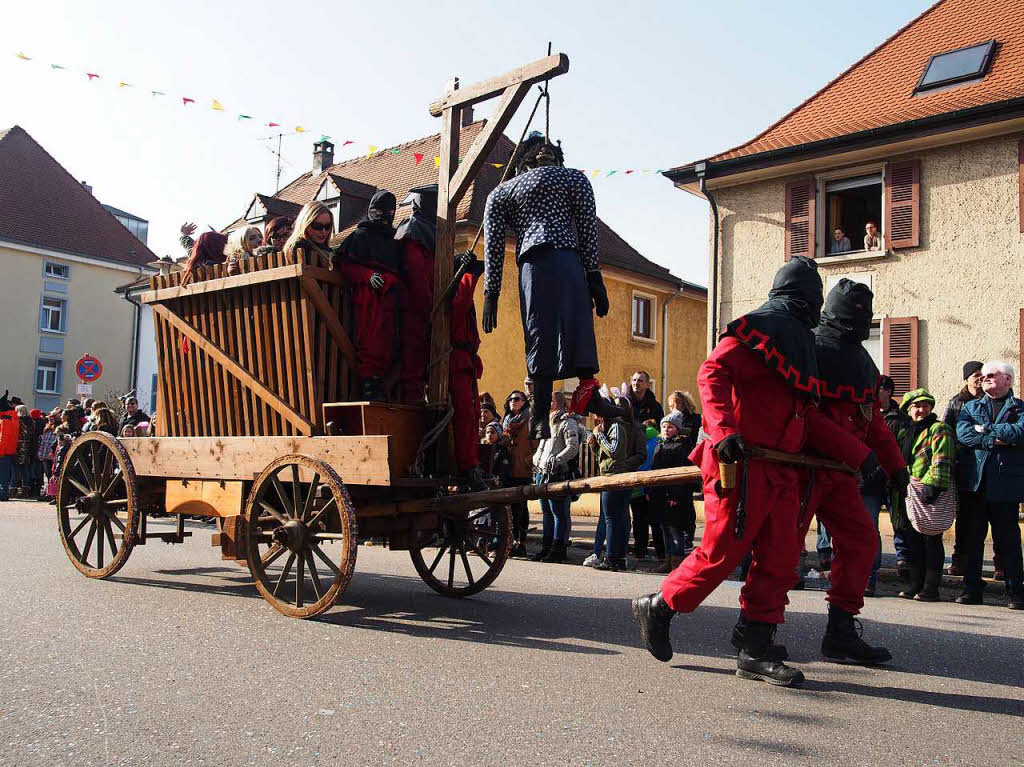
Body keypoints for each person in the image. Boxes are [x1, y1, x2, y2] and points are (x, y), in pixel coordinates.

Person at [631, 256, 875, 687]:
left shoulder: (802, 341)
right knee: (723, 549)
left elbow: (807, 415)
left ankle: (754, 647)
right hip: (738, 461)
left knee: (781, 556)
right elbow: (712, 373)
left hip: (781, 466)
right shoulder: (760, 327)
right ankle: (660, 604)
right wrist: (724, 430)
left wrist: (858, 455)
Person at [788, 279, 903, 662]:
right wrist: (861, 455)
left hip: (838, 474)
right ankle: (756, 632)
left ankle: (840, 632)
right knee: (782, 552)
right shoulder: (812, 349)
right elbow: (809, 420)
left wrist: (895, 465)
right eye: (857, 312)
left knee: (861, 541)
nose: (862, 319)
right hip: (802, 469)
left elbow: (872, 422)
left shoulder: (861, 361)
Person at [482, 131, 623, 440]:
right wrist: (594, 276)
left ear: (521, 163)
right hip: (569, 259)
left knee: (539, 331)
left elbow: (492, 244)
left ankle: (540, 414)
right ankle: (588, 389)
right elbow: (587, 230)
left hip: (535, 263)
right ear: (556, 159)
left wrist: (491, 291)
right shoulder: (575, 179)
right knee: (579, 324)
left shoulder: (503, 191)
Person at [955, 361, 1024, 609]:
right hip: (975, 484)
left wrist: (986, 430)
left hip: (1005, 486)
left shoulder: (1019, 409)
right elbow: (963, 434)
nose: (985, 378)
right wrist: (996, 439)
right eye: (983, 376)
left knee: (1008, 541)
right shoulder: (971, 407)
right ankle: (972, 588)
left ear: (1008, 380)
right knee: (973, 540)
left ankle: (1016, 590)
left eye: (992, 375)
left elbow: (1020, 433)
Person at [334, 191, 403, 401]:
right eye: (382, 210)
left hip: (389, 299)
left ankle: (382, 385)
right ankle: (369, 385)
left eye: (391, 211)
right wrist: (367, 275)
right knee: (370, 342)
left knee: (389, 342)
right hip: (367, 299)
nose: (386, 215)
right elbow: (344, 264)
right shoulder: (359, 236)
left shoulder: (393, 240)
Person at [891, 389, 954, 601]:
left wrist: (933, 486)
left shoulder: (939, 429)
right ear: (909, 410)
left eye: (926, 405)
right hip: (908, 492)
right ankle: (915, 583)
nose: (922, 409)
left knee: (931, 540)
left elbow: (942, 458)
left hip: (927, 491)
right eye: (917, 406)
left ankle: (931, 587)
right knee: (912, 540)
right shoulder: (904, 431)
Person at [589, 396, 646, 571]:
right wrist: (594, 444)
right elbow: (604, 456)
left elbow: (614, 452)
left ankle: (613, 557)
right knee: (619, 518)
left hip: (614, 477)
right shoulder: (626, 425)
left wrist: (599, 436)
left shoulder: (617, 425)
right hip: (617, 475)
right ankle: (619, 558)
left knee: (612, 519)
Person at [447, 253, 488, 492]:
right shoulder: (453, 295)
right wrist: (468, 274)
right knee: (464, 414)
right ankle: (468, 465)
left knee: (472, 415)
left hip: (466, 361)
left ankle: (472, 463)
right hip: (458, 362)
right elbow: (459, 303)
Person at [395, 184, 438, 404]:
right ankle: (412, 404)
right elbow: (416, 274)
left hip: (427, 307)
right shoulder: (412, 229)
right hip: (413, 308)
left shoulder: (433, 229)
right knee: (412, 359)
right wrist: (427, 306)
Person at [943, 361, 986, 576]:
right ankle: (959, 559)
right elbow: (946, 432)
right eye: (976, 374)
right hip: (963, 466)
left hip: (987, 466)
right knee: (964, 517)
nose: (980, 378)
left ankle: (1000, 563)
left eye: (983, 374)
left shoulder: (992, 400)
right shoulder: (956, 403)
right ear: (967, 378)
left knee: (992, 517)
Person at [531, 391, 580, 563]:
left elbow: (573, 447)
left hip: (557, 473)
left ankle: (558, 549)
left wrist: (558, 460)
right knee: (546, 512)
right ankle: (546, 547)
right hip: (542, 472)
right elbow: (542, 445)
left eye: (550, 400)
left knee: (559, 513)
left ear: (557, 402)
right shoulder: (548, 421)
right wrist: (536, 459)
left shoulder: (568, 422)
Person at [647, 411, 697, 574]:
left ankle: (677, 562)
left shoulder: (682, 446)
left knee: (676, 531)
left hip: (674, 495)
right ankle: (668, 560)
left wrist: (675, 495)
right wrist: (649, 489)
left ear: (677, 429)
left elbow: (682, 473)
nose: (666, 429)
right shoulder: (661, 444)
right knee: (665, 529)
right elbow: (654, 469)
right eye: (664, 427)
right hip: (660, 494)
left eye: (670, 427)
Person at [502, 390, 534, 556]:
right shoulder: (506, 421)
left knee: (521, 508)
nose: (513, 401)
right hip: (507, 469)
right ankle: (510, 541)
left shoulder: (528, 419)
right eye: (510, 399)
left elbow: (536, 442)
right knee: (509, 509)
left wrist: (529, 460)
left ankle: (520, 543)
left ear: (524, 402)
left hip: (522, 469)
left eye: (517, 399)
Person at [630, 420, 664, 563]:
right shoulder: (659, 440)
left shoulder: (635, 438)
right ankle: (661, 553)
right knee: (656, 522)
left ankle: (640, 551)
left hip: (637, 485)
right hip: (654, 485)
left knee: (639, 521)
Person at [285, 201, 334, 266]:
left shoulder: (326, 249)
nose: (323, 231)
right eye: (317, 226)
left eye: (327, 226)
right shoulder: (300, 247)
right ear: (305, 224)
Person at [0, 393, 21, 501]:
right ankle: (4, 492)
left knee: (3, 475)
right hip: (10, 450)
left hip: (3, 451)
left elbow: (3, 437)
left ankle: (3, 493)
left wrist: (1, 452)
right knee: (5, 475)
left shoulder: (5, 419)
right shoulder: (13, 418)